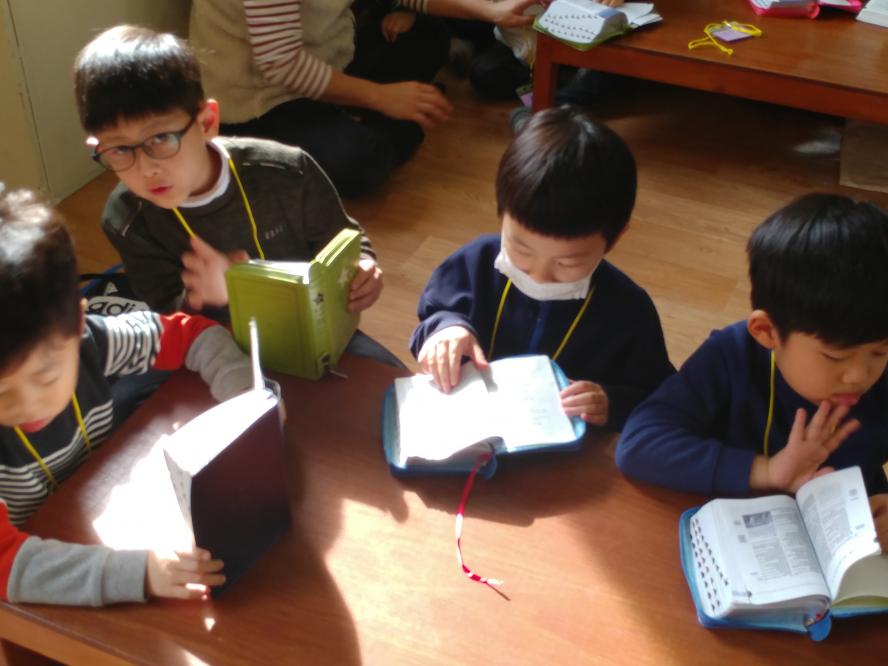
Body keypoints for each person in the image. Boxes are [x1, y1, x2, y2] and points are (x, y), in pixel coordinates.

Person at [73, 25, 402, 368]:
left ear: (207, 122)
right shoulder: (126, 220)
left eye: (160, 139)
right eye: (119, 149)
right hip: (220, 348)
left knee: (389, 379)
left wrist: (364, 266)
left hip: (312, 331)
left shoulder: (286, 171)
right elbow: (168, 317)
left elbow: (344, 237)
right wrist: (205, 297)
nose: (146, 169)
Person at [0, 186, 257, 605]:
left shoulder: (95, 343)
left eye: (45, 375)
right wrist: (137, 573)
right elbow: (7, 564)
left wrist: (246, 400)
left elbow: (192, 334)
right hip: (43, 573)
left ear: (79, 322)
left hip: (88, 510)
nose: (27, 403)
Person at [615, 194, 888, 546]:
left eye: (879, 352)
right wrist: (768, 471)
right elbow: (639, 445)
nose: (859, 375)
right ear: (766, 331)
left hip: (855, 534)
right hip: (740, 540)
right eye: (836, 357)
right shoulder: (730, 357)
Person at [409, 106, 674, 429]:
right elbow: (433, 316)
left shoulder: (629, 312)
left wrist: (612, 403)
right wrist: (445, 330)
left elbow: (660, 397)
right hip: (468, 429)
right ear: (501, 212)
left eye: (567, 262)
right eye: (521, 249)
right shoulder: (475, 262)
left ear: (615, 239)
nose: (539, 275)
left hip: (568, 449)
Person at [188, 0, 537, 197]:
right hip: (259, 100)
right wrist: (381, 97)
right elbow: (282, 65)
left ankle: (364, 115)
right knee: (361, 162)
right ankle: (390, 122)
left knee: (428, 34)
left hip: (328, 59)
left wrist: (489, 10)